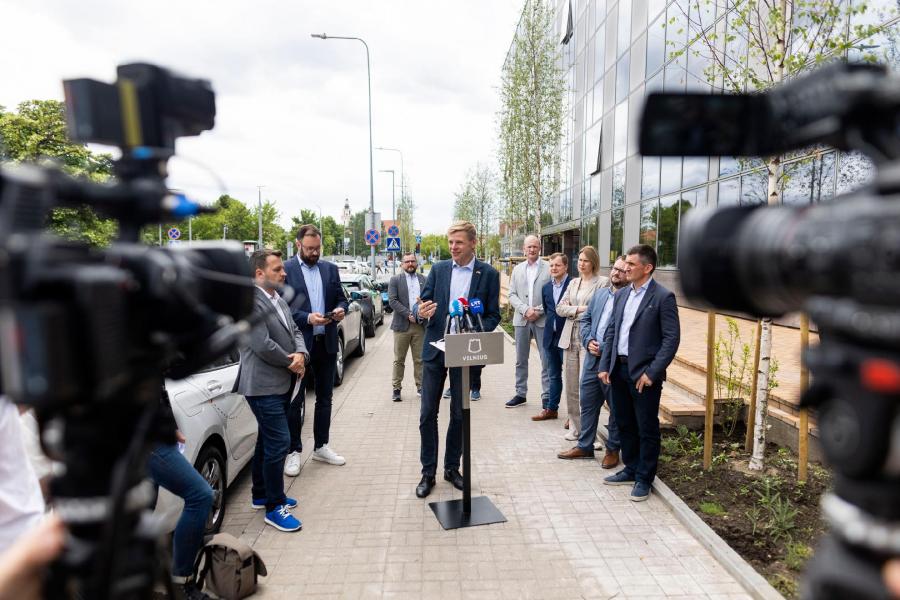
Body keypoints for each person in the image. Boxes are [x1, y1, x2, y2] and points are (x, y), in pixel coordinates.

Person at [412, 221, 500, 499]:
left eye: (459, 242)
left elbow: (493, 315)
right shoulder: (438, 270)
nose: (453, 247)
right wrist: (420, 311)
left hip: (466, 351)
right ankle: (428, 472)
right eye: (450, 242)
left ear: (473, 243)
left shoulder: (488, 274)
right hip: (435, 349)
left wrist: (475, 332)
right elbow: (421, 304)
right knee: (427, 413)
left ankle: (451, 468)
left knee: (460, 415)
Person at [600, 244, 680, 502]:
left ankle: (645, 477)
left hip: (644, 375)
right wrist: (605, 365)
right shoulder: (622, 294)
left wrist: (652, 373)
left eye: (631, 264)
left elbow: (671, 339)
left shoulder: (663, 297)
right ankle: (631, 468)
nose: (625, 268)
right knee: (624, 422)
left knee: (646, 427)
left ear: (647, 268)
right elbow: (612, 331)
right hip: (618, 370)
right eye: (626, 263)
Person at [237, 249, 307, 531]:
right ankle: (274, 507)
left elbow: (295, 331)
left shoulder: (276, 298)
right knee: (279, 442)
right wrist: (292, 362)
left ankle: (261, 494)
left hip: (280, 381)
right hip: (262, 385)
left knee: (266, 441)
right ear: (259, 274)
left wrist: (301, 353)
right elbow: (261, 344)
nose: (284, 273)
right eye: (277, 269)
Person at [284, 224, 348, 470]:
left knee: (325, 398)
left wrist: (341, 309)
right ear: (298, 244)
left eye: (317, 248)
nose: (314, 252)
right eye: (310, 248)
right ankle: (293, 451)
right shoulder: (286, 270)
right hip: (300, 346)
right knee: (295, 400)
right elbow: (283, 309)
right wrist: (308, 318)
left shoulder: (330, 269)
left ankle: (321, 446)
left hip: (326, 343)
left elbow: (341, 297)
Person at [557, 256, 628, 467]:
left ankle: (612, 449)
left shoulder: (629, 298)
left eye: (622, 270)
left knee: (616, 407)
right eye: (615, 268)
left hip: (613, 362)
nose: (616, 273)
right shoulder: (601, 294)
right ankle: (585, 445)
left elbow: (625, 332)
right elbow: (587, 320)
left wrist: (604, 347)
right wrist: (588, 341)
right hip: (591, 359)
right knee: (587, 403)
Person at [147, 390, 215, 599]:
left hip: (151, 433)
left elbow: (156, 390)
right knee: (201, 495)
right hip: (142, 439)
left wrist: (171, 427)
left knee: (139, 513)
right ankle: (181, 582)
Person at [555, 246, 606, 442]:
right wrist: (581, 309)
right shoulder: (573, 282)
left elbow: (599, 309)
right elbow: (560, 308)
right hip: (569, 337)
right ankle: (576, 428)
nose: (581, 264)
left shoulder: (602, 283)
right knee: (571, 386)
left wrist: (574, 309)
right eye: (580, 260)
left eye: (586, 260)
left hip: (588, 336)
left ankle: (589, 434)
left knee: (587, 387)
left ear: (593, 262)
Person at [505, 235, 551, 408]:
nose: (532, 249)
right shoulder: (517, 269)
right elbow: (511, 294)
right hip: (522, 319)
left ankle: (547, 396)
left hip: (542, 319)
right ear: (524, 249)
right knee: (520, 359)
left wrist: (538, 311)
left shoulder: (548, 268)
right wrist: (525, 309)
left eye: (535, 246)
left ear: (540, 248)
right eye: (529, 247)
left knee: (546, 359)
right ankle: (520, 393)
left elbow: (553, 293)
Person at [532, 253, 571, 421]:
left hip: (568, 338)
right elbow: (549, 312)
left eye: (558, 265)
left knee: (571, 378)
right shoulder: (546, 287)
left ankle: (573, 416)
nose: (554, 268)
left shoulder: (573, 284)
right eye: (551, 265)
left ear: (566, 267)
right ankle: (551, 409)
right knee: (553, 375)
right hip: (550, 338)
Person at [388, 253, 427, 401]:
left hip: (420, 325)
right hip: (401, 326)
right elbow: (392, 301)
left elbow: (429, 298)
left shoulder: (423, 279)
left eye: (412, 261)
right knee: (399, 359)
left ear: (416, 263)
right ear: (402, 264)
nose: (410, 264)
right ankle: (396, 388)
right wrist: (408, 314)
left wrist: (423, 309)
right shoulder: (395, 280)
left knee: (420, 359)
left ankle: (421, 387)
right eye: (407, 261)